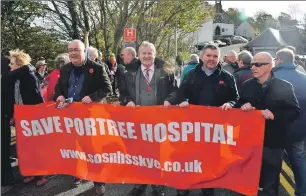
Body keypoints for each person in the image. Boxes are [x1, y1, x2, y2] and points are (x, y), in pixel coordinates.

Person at [176, 44, 239, 196]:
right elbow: (180, 94)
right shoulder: (191, 75)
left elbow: (235, 98)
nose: (211, 59)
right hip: (192, 128)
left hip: (214, 131)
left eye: (215, 56)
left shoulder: (227, 77)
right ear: (202, 56)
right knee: (188, 160)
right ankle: (184, 188)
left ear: (219, 58)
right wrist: (183, 100)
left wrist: (230, 104)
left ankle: (208, 189)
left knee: (210, 162)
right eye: (209, 55)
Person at [54, 40, 112, 195]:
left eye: (76, 50)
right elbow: (59, 86)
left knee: (92, 149)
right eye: (70, 50)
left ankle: (99, 181)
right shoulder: (65, 69)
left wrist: (92, 97)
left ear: (84, 51)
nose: (73, 53)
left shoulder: (97, 68)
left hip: (89, 117)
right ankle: (78, 174)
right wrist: (59, 95)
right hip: (70, 116)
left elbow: (107, 88)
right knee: (74, 148)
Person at [120, 41, 178, 196]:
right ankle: (140, 182)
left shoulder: (166, 71)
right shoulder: (129, 72)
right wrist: (127, 101)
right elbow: (123, 93)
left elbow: (175, 91)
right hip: (138, 121)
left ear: (154, 54)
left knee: (158, 154)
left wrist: (170, 100)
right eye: (143, 53)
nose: (146, 56)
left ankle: (158, 186)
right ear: (138, 55)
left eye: (149, 53)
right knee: (139, 154)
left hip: (159, 121)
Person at [239, 52, 300, 196]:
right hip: (250, 142)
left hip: (273, 143)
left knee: (270, 184)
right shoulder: (247, 85)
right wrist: (243, 107)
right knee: (248, 181)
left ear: (270, 66)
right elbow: (239, 105)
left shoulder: (284, 86)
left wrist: (275, 115)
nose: (253, 67)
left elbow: (294, 112)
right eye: (252, 64)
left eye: (258, 64)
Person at [7, 49, 47, 186]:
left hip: (31, 117)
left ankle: (41, 174)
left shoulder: (29, 77)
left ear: (19, 65)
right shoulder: (15, 78)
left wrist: (36, 115)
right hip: (20, 117)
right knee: (24, 147)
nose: (10, 66)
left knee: (35, 146)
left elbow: (37, 97)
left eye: (12, 64)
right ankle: (30, 172)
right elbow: (15, 98)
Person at [273, 48, 306, 196]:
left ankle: (270, 191)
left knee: (272, 162)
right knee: (298, 160)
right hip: (298, 128)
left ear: (279, 60)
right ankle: (302, 191)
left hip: (274, 128)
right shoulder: (304, 78)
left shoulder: (271, 76)